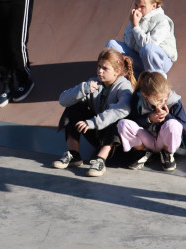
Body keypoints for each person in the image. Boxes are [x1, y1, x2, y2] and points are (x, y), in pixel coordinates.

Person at [53, 48, 136, 177]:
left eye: (105, 68)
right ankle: (74, 154)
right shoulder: (94, 83)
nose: (99, 71)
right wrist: (83, 90)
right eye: (98, 66)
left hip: (117, 143)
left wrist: (93, 122)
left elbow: (121, 109)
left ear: (117, 71)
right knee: (73, 105)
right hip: (98, 133)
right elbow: (63, 100)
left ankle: (100, 160)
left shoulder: (124, 87)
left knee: (119, 119)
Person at [117, 71, 186, 172]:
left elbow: (185, 127)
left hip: (164, 141)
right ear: (145, 95)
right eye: (158, 100)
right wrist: (149, 118)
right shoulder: (137, 99)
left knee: (173, 124)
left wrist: (167, 116)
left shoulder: (174, 103)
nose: (162, 102)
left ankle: (167, 153)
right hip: (146, 140)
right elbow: (133, 120)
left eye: (165, 98)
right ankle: (143, 152)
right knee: (123, 124)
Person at [105, 0, 177, 75]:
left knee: (148, 49)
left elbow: (148, 45)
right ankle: (130, 75)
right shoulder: (136, 18)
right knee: (111, 45)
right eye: (136, 5)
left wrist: (135, 27)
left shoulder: (162, 21)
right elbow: (129, 44)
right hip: (141, 58)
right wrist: (132, 24)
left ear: (153, 6)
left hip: (160, 61)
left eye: (142, 6)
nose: (138, 9)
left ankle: (156, 78)